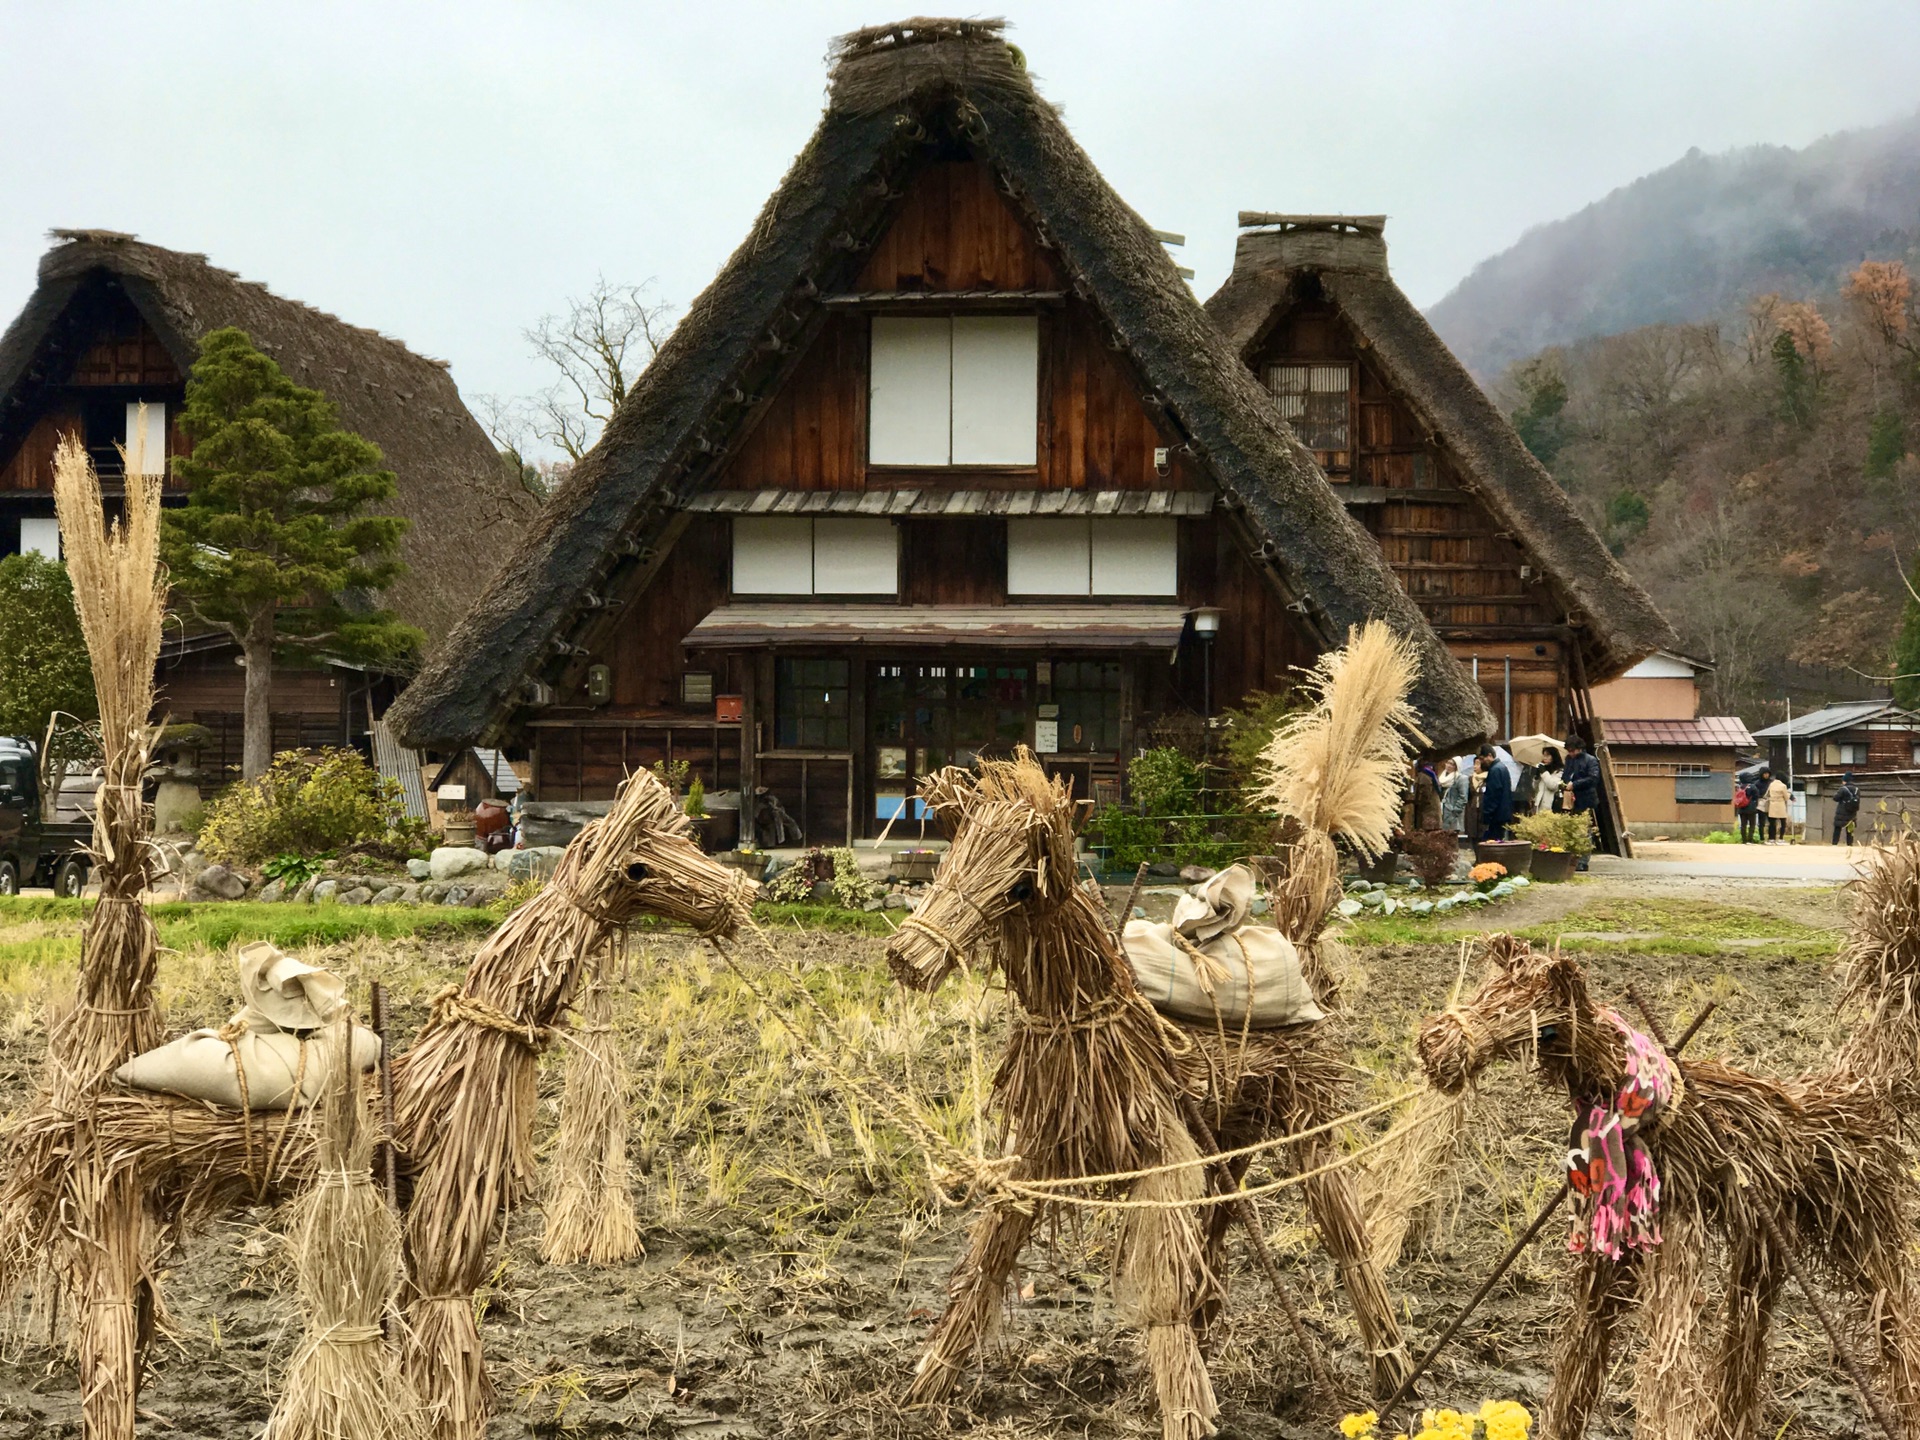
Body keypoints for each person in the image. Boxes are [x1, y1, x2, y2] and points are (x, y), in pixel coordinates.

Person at [1477, 745, 1514, 841]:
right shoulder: (1501, 768)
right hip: (1502, 814)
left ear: (1489, 756)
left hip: (1496, 816)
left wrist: (1486, 814)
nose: (1481, 762)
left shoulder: (1495, 770)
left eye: (1482, 759)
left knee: (1493, 843)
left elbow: (1493, 795)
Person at [1409, 758, 1444, 831]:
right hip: (1430, 811)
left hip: (1428, 813)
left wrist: (1416, 801)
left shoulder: (1424, 775)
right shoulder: (1430, 774)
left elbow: (1425, 794)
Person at [1736, 766, 1768, 844]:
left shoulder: (1740, 786)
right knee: (1752, 825)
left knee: (1743, 825)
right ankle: (1750, 840)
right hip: (1751, 808)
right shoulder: (1752, 786)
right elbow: (1757, 795)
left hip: (1741, 808)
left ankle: (1744, 840)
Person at [1440, 757, 1471, 836]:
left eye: (1452, 764)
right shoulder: (1442, 777)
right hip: (1443, 811)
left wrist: (1455, 812)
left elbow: (1463, 797)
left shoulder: (1461, 778)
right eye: (1448, 763)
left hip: (1453, 813)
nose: (1449, 766)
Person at [1832, 771, 1862, 847]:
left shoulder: (1843, 789)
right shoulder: (1857, 789)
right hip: (1852, 812)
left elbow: (1836, 798)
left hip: (1842, 811)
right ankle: (1849, 844)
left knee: (1838, 827)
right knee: (1850, 828)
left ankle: (1835, 843)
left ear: (1845, 780)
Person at [1534, 746, 1566, 816]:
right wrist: (1536, 777)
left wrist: (1544, 772)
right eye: (1544, 755)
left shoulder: (1559, 771)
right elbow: (1535, 788)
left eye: (1548, 755)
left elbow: (1553, 786)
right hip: (1540, 806)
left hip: (1551, 805)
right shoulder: (1544, 770)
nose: (1545, 758)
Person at [1765, 771, 1792, 843]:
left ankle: (1771, 838)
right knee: (1783, 822)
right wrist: (1789, 794)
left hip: (1772, 804)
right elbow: (1786, 797)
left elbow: (1766, 794)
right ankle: (1780, 838)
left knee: (1772, 823)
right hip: (1780, 804)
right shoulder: (1783, 786)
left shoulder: (1771, 784)